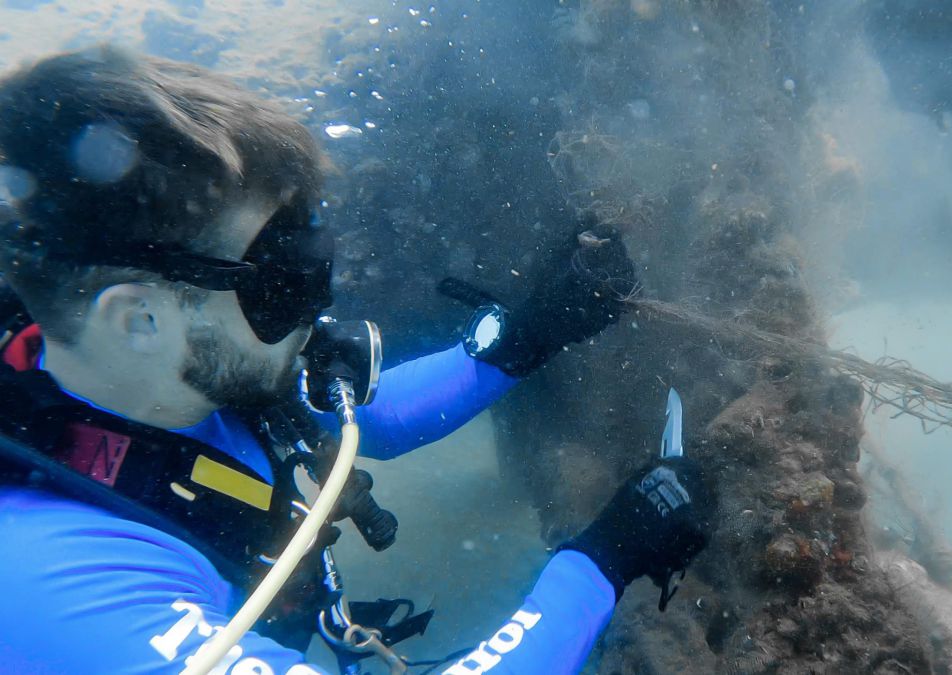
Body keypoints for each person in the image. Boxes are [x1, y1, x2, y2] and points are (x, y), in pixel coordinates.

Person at [0, 46, 713, 674]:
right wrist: (603, 560)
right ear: (139, 319)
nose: (315, 306)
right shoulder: (53, 592)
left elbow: (361, 418)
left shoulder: (159, 379)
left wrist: (530, 334)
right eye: (279, 282)